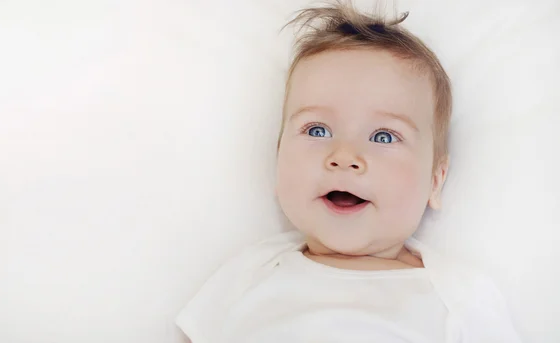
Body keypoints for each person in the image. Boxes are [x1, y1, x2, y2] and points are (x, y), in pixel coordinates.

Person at [176, 1, 522, 342]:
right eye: (317, 130)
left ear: (435, 181)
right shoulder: (249, 273)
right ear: (278, 158)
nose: (344, 156)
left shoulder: (460, 296)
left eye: (383, 136)